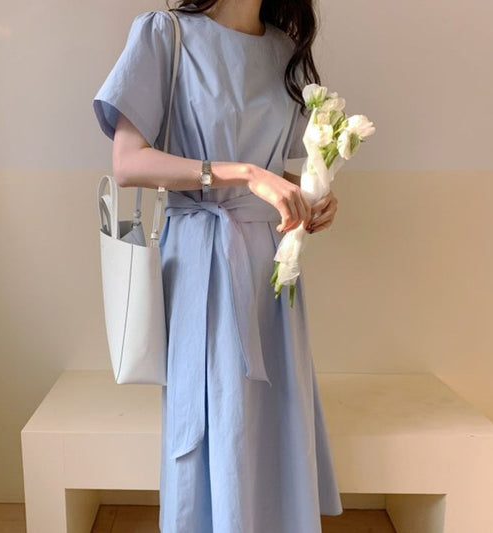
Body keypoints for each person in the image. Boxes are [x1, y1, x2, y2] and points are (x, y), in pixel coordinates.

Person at [93, 0, 343, 530]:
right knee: (217, 418)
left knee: (274, 419)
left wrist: (307, 196)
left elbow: (269, 171)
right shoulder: (166, 33)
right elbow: (128, 162)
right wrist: (245, 173)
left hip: (271, 265)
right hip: (203, 259)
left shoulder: (283, 48)